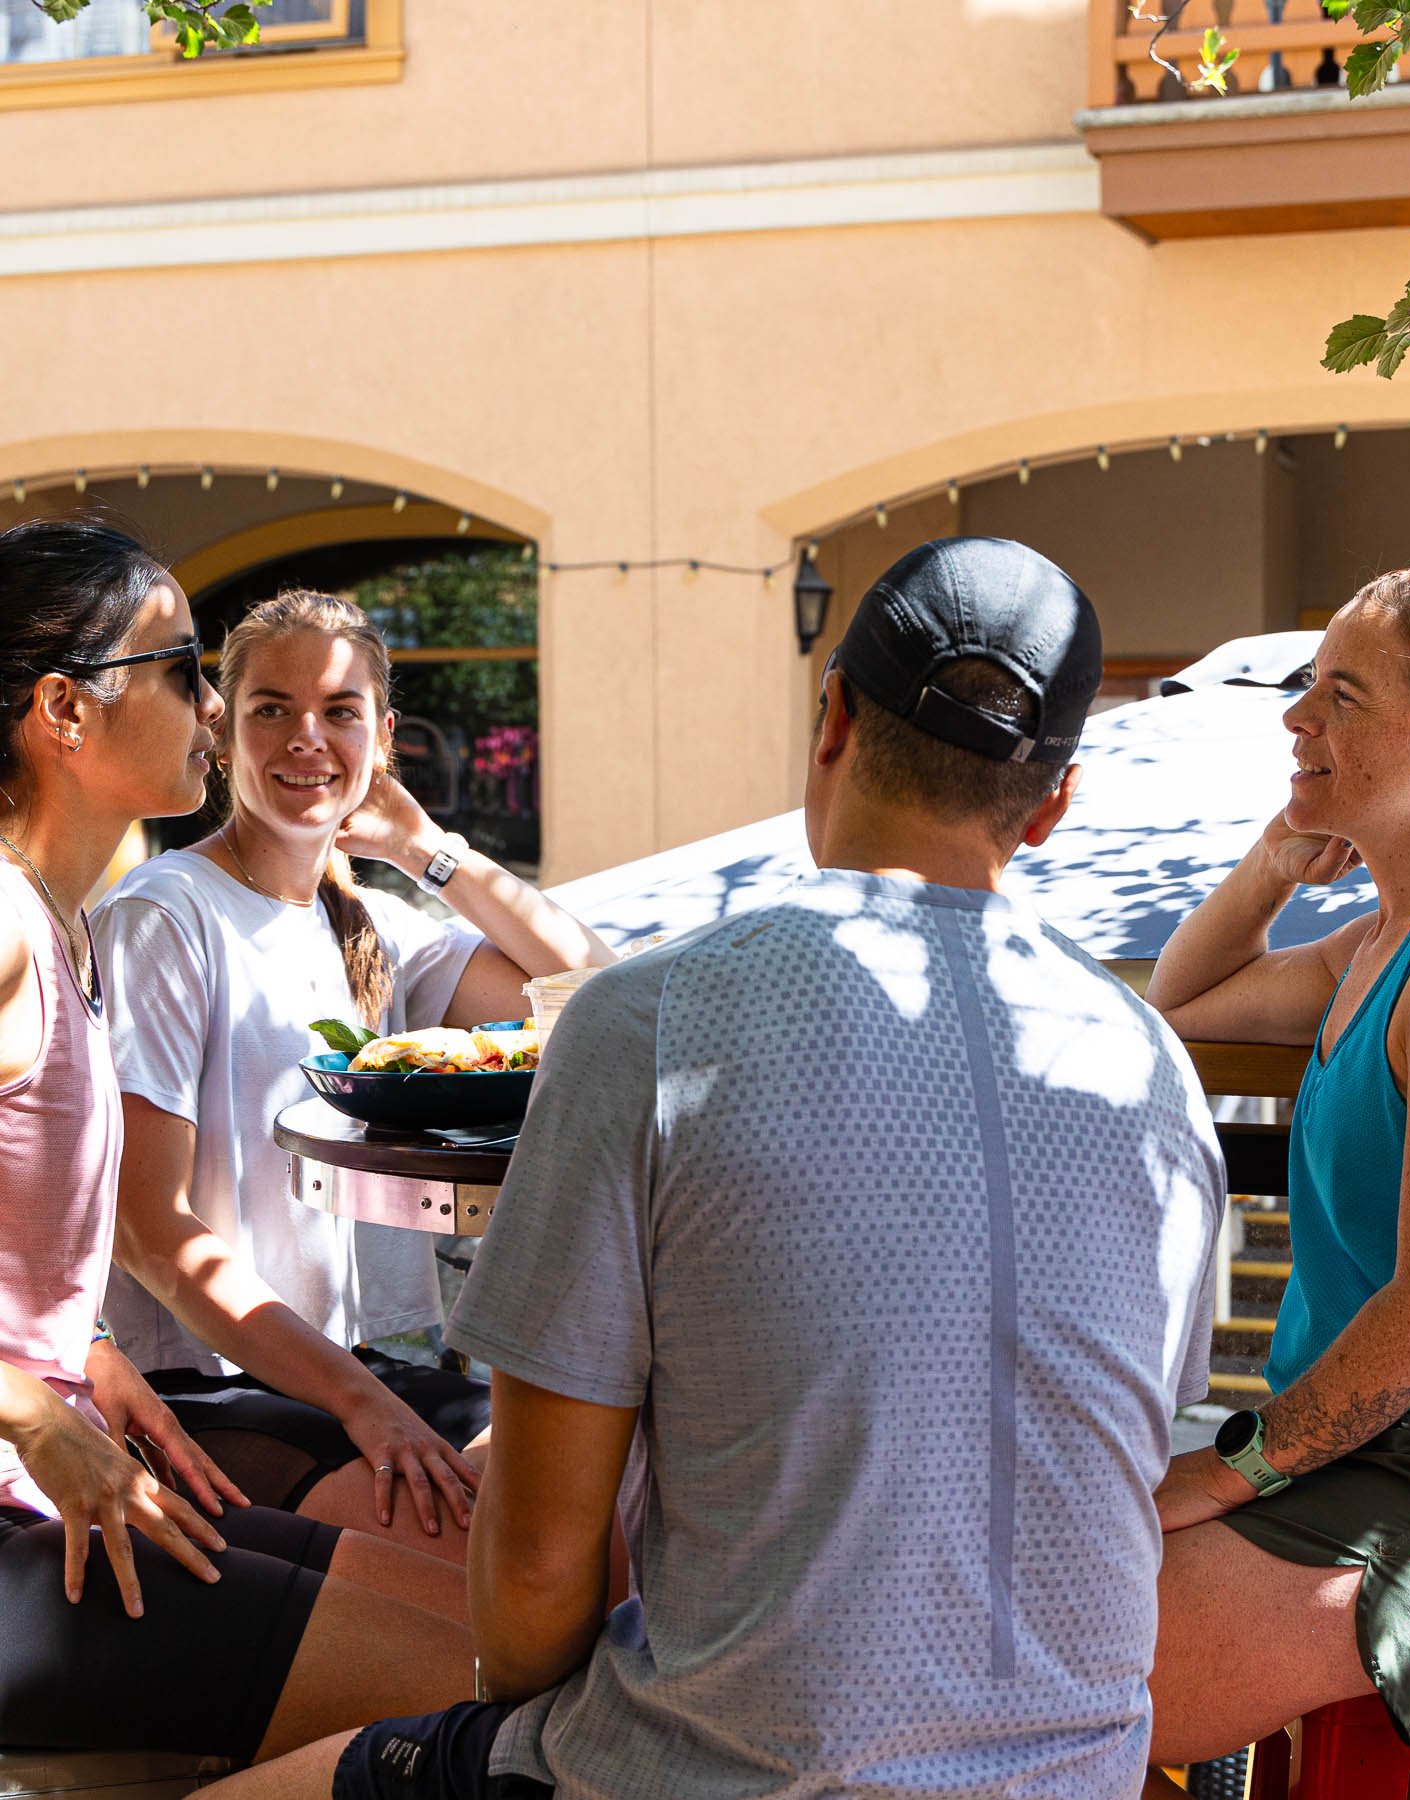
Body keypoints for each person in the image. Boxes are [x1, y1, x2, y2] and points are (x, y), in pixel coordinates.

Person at [213, 536, 1226, 1800]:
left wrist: (522, 1733)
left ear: (833, 716)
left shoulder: (652, 1021)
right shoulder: (1153, 1068)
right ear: (1056, 801)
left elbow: (533, 1571)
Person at [0, 519, 479, 1760]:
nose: (212, 709)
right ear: (64, 708)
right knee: (481, 1690)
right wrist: (33, 1415)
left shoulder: (60, 924)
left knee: (512, 1635)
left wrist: (84, 1355)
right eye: (180, 671)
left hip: (79, 1480)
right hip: (27, 1519)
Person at [90, 589, 614, 1563]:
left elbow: (591, 992)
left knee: (617, 1502)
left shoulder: (368, 922)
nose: (306, 739)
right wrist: (364, 1404)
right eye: (271, 709)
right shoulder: (165, 915)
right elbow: (146, 1228)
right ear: (223, 726)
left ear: (382, 739)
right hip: (213, 1390)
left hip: (365, 1373)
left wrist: (427, 850)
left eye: (339, 712)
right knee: (515, 1553)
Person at [1140, 567, 1410, 1773]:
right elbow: (1181, 997)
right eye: (1305, 687)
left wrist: (1228, 1470)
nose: (1295, 717)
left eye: (1344, 696)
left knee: (1052, 1650)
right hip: (1341, 1452)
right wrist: (1281, 847)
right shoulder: (1370, 949)